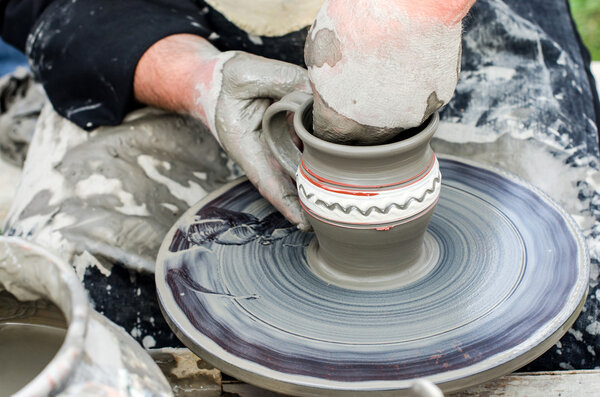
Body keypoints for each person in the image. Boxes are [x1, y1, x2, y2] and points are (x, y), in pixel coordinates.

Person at [1, 0, 599, 373]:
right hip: (159, 17)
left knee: (580, 312)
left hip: (458, 13)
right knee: (75, 314)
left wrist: (420, 9)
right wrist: (195, 77)